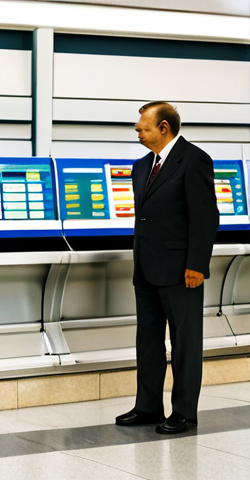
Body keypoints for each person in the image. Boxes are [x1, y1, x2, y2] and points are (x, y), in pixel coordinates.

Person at [115, 102, 219, 434]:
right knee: (148, 339)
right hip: (146, 268)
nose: (137, 131)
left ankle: (185, 412)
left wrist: (196, 265)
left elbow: (205, 217)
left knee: (185, 342)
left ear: (163, 127)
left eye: (142, 127)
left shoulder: (194, 160)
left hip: (181, 270)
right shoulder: (141, 166)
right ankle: (148, 406)